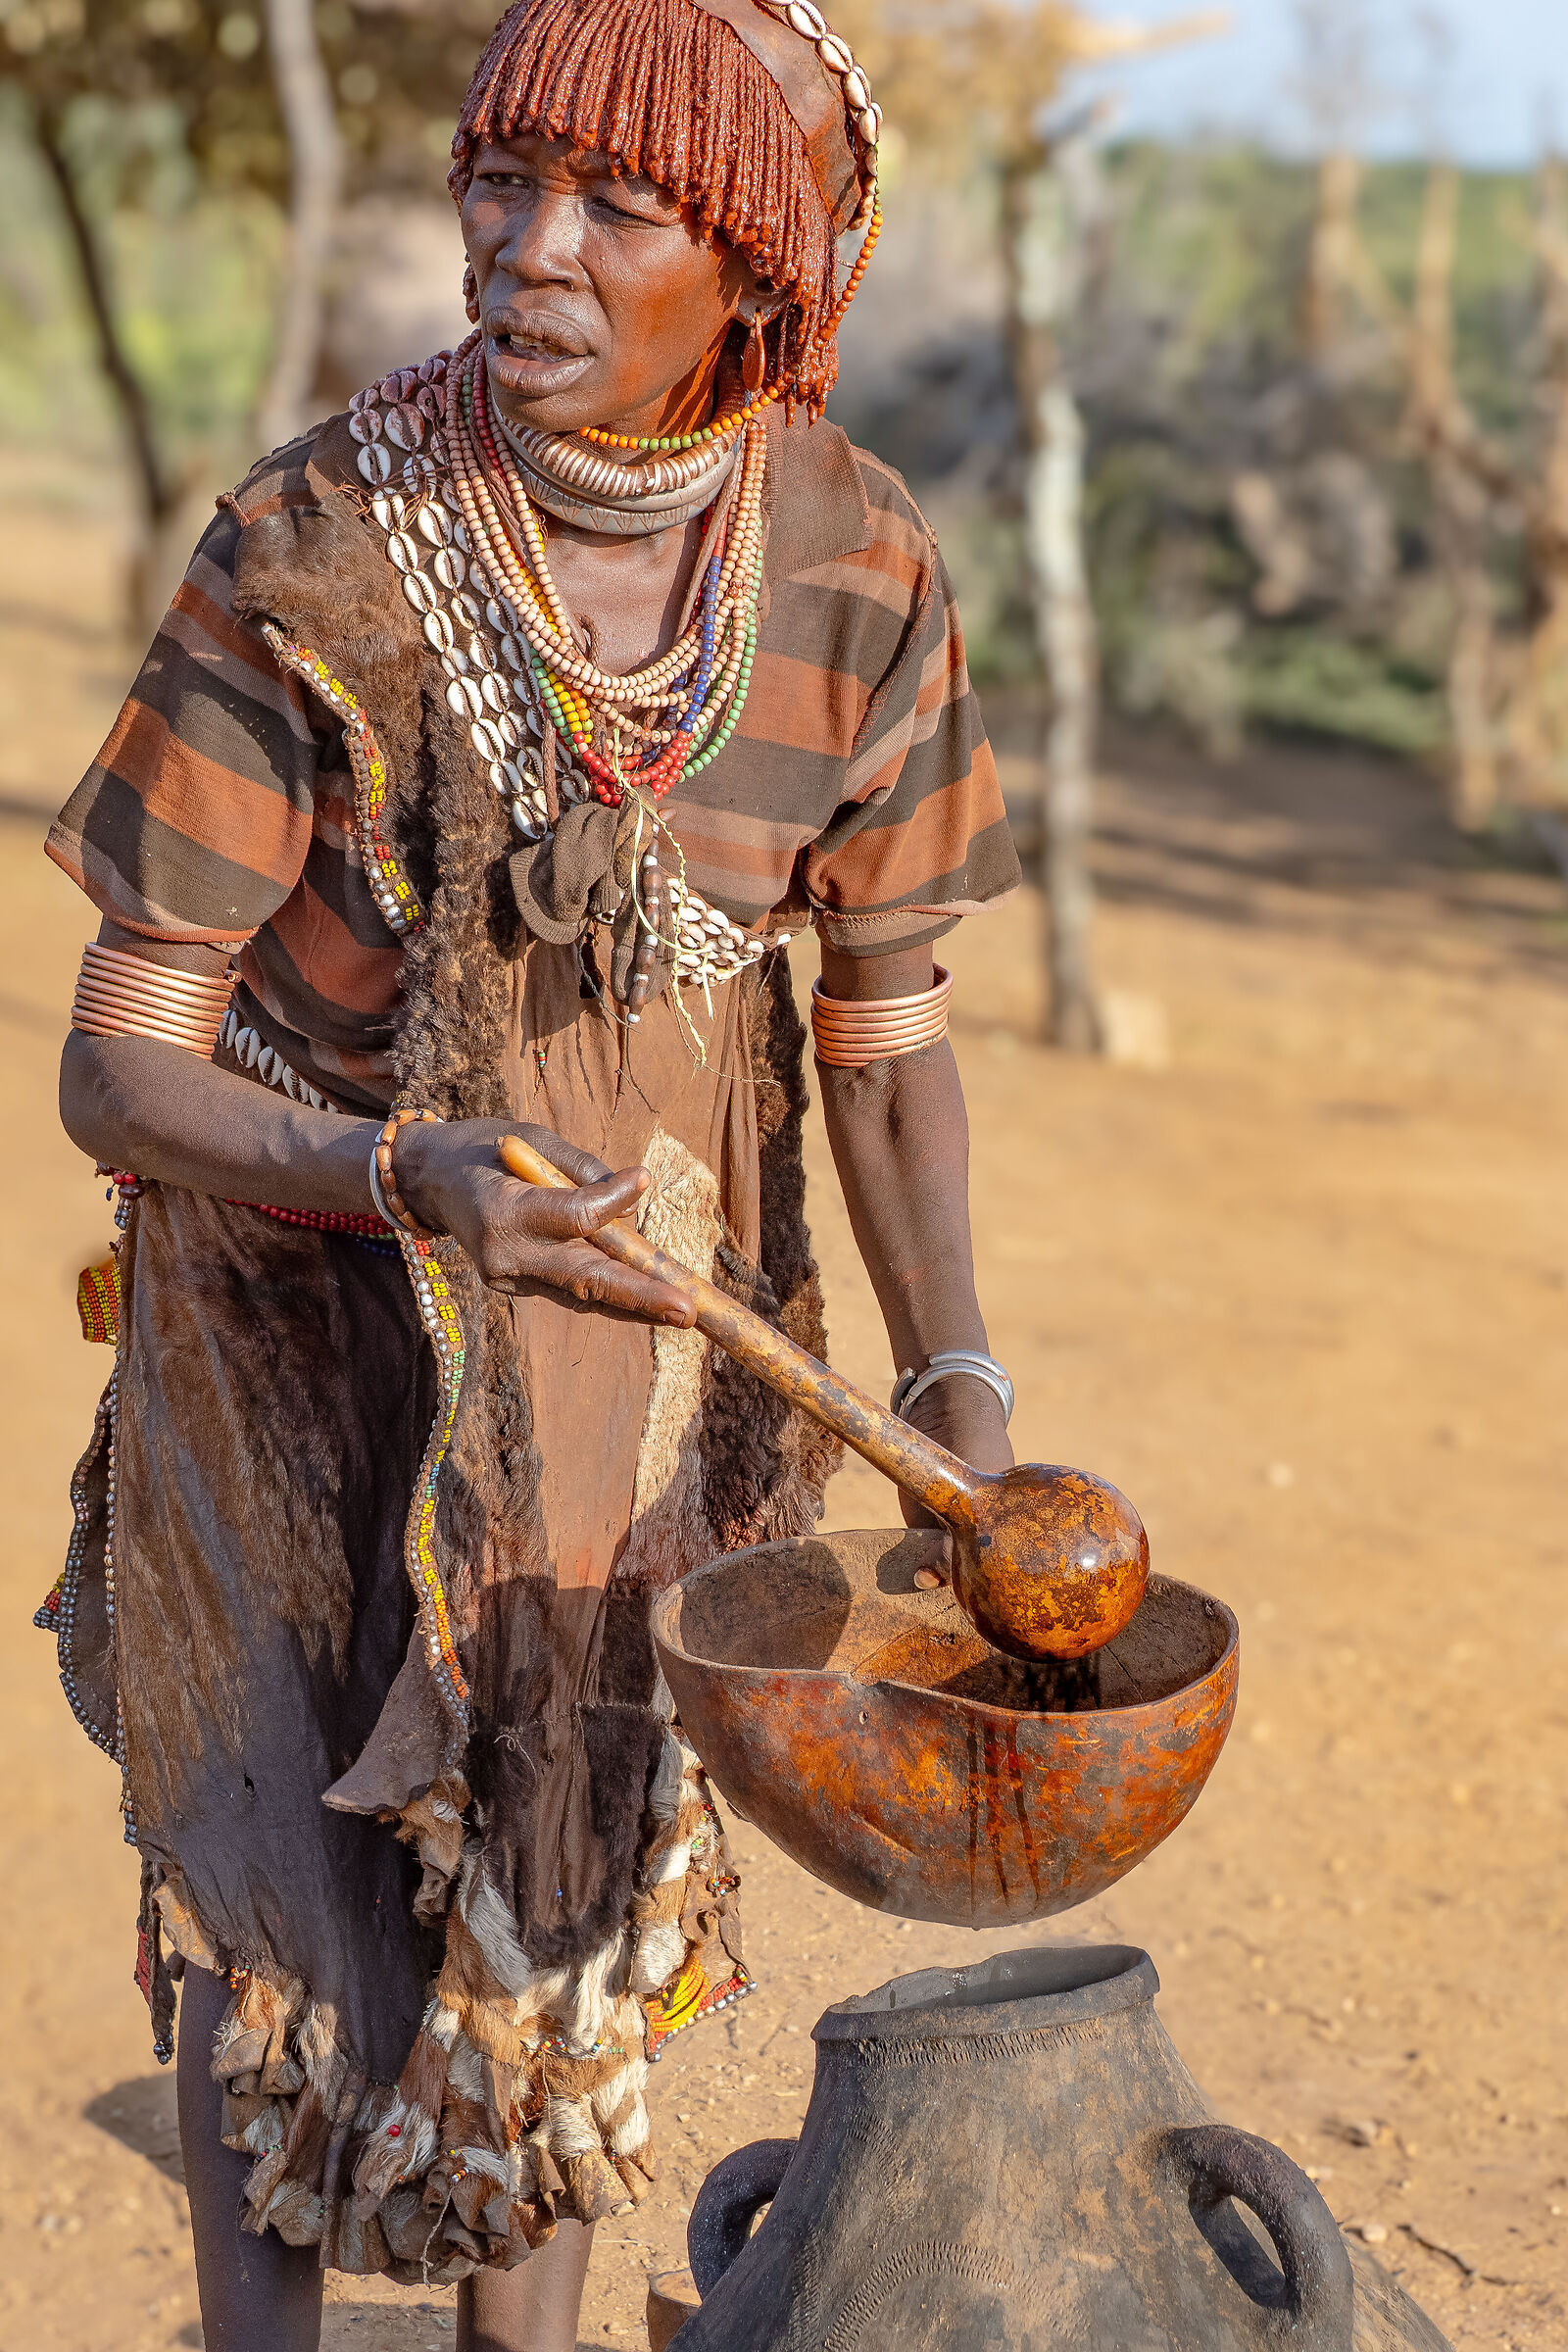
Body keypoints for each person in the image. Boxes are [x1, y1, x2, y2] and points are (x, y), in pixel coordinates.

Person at [42, 1, 1021, 2344]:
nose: (525, 248)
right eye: (502, 180)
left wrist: (957, 1371)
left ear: (757, 262)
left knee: (572, 1844)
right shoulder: (317, 544)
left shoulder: (855, 569)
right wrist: (395, 1170)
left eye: (619, 205)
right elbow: (120, 1058)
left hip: (628, 1324)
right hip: (293, 1286)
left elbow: (881, 1040)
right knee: (273, 1861)